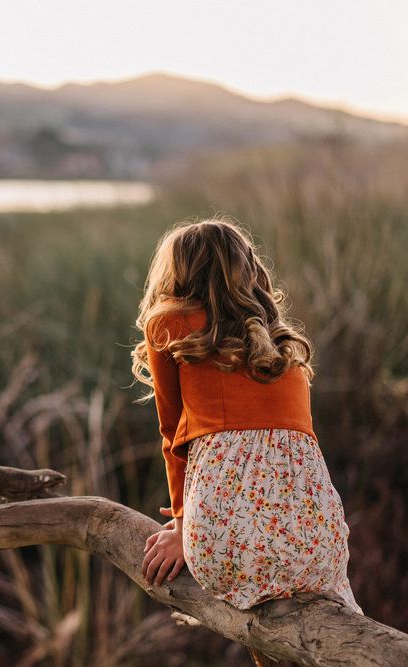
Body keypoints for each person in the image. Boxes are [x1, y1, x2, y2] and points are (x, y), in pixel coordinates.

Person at [132, 216, 363, 616]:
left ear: (177, 274)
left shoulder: (169, 322)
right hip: (317, 545)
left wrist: (185, 526)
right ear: (249, 271)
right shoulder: (281, 346)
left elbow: (172, 435)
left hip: (226, 543)